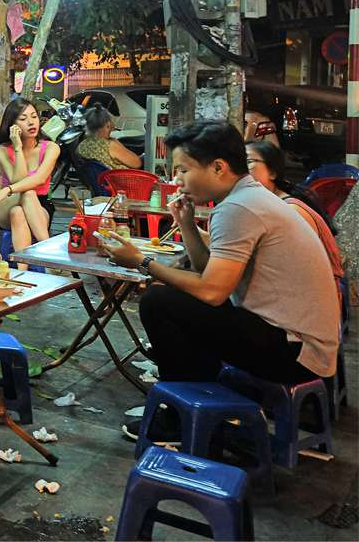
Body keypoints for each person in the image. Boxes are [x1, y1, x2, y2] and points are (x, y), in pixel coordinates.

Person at [105, 121, 339, 443]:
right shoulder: (249, 197)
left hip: (296, 352)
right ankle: (198, 403)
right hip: (299, 342)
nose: (177, 180)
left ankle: (181, 419)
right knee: (174, 300)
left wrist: (142, 262)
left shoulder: (239, 208)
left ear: (218, 167)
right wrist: (186, 225)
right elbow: (209, 271)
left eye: (183, 170)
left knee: (159, 302)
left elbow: (212, 292)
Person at [246, 141, 344, 284]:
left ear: (272, 172)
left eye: (248, 161)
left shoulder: (290, 211)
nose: (239, 170)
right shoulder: (268, 204)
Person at [0, 97, 60, 254]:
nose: (31, 122)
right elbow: (18, 181)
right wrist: (17, 148)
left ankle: (21, 273)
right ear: (12, 125)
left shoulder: (51, 148)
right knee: (27, 192)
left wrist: (6, 190)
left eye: (34, 116)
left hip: (40, 204)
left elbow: (39, 179)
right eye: (23, 119)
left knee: (18, 212)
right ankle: (50, 254)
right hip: (9, 202)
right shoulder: (2, 149)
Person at [76, 105, 143, 171]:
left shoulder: (81, 146)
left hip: (98, 180)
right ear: (108, 125)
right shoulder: (109, 145)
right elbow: (137, 163)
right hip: (123, 180)